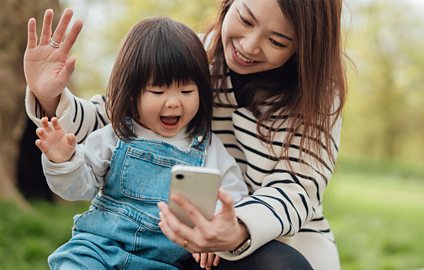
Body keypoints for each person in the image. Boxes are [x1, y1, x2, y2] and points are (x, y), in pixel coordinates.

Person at [24, 0, 347, 269]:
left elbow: (295, 188)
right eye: (245, 19)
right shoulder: (189, 53)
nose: (249, 46)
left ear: (303, 49)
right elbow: (116, 118)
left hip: (267, 234)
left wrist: (231, 229)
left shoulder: (317, 94)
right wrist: (50, 97)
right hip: (166, 240)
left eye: (277, 41)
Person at [30, 16, 248, 270]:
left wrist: (217, 236)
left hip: (161, 262)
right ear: (132, 93)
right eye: (158, 91)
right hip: (98, 248)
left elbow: (232, 197)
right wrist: (64, 159)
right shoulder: (116, 135)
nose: (174, 102)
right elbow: (78, 188)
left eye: (187, 91)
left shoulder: (207, 149)